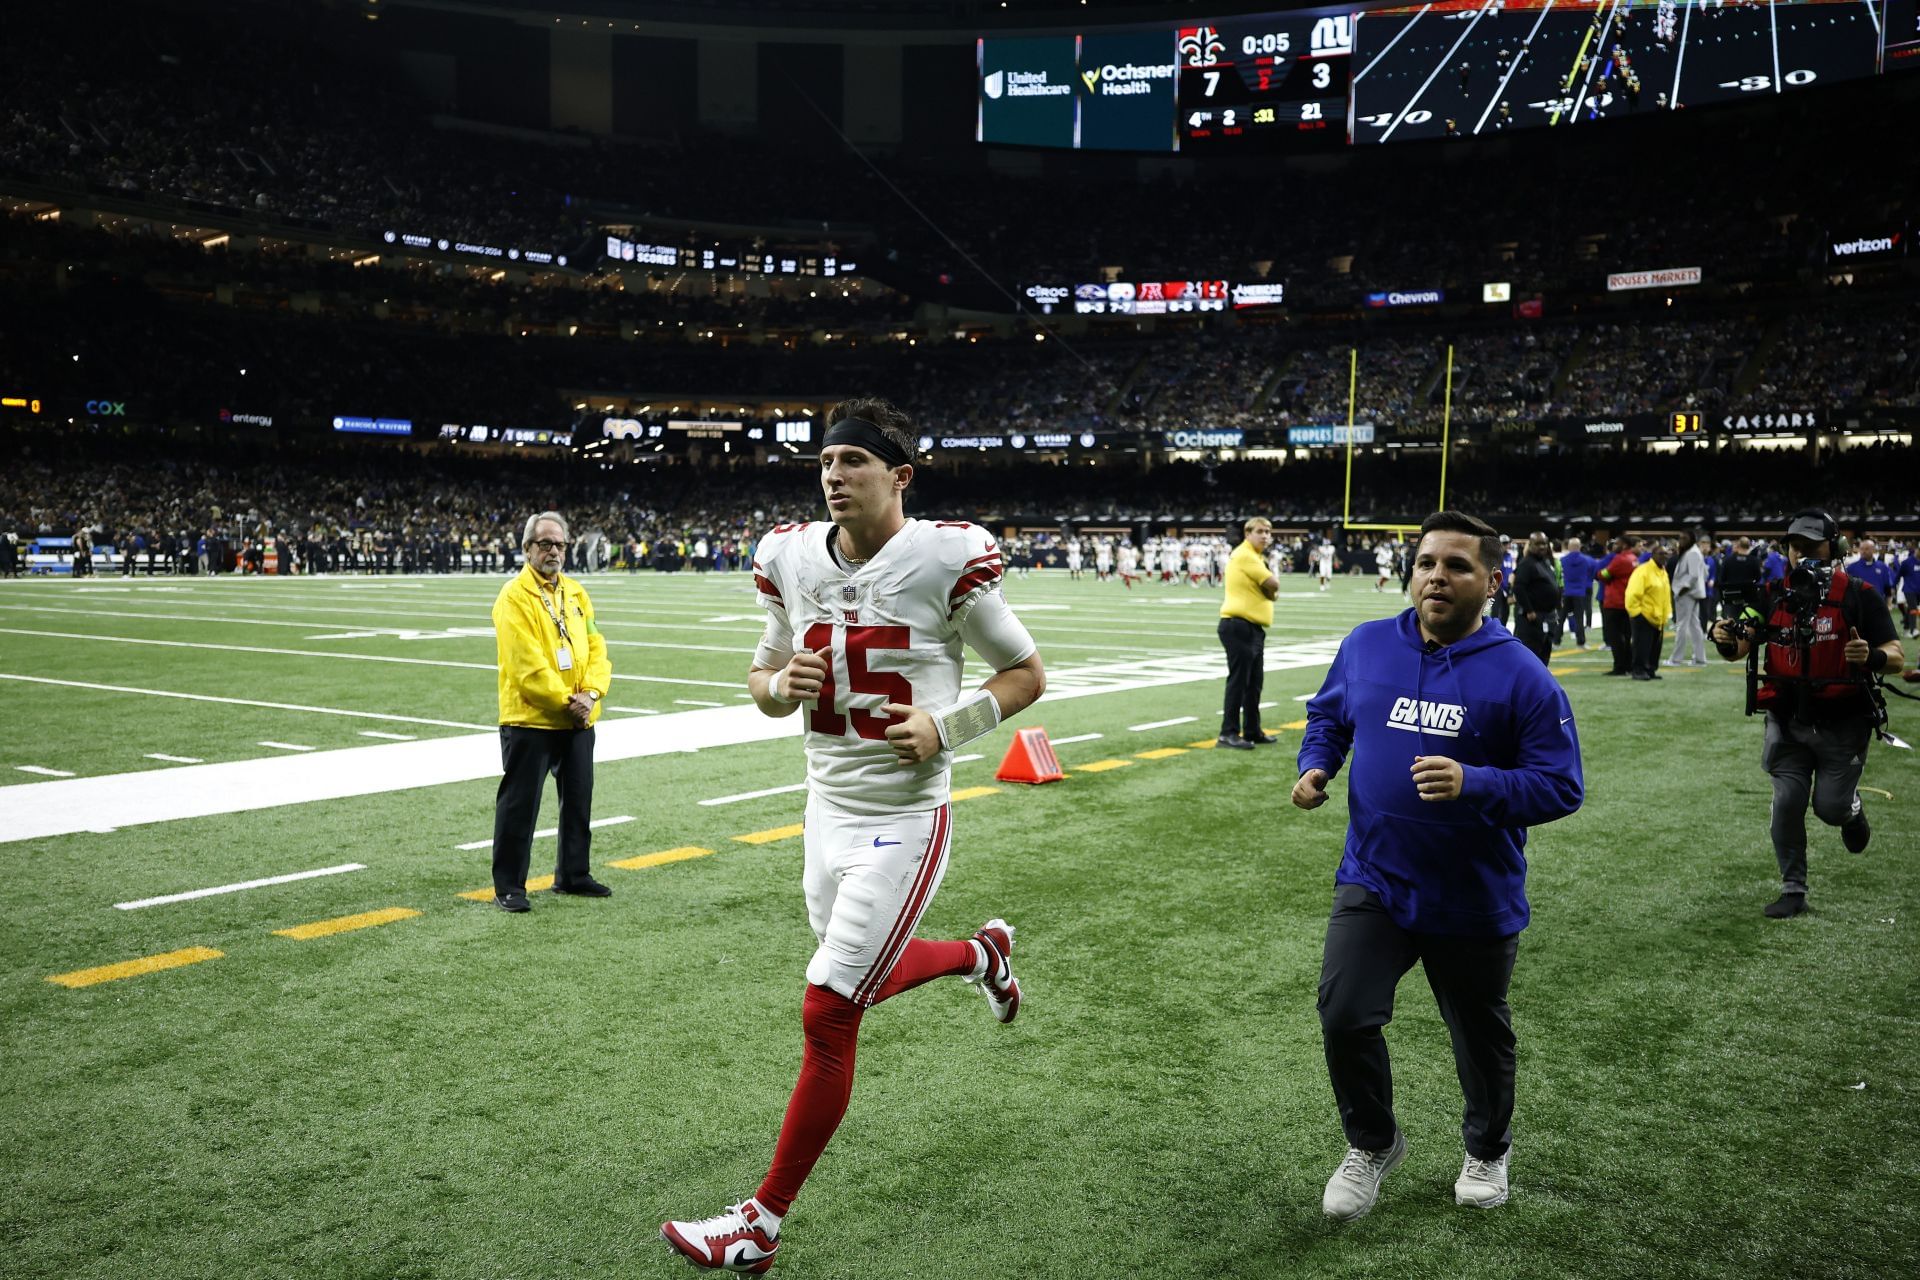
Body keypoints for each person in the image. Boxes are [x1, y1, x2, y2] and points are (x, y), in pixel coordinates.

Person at [660, 398, 1045, 1274]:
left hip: (905, 818)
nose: (834, 476)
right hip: (824, 808)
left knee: (829, 1007)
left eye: (853, 463)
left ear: (899, 477)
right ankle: (983, 955)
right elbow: (760, 675)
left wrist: (951, 726)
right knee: (856, 976)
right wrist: (776, 687)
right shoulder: (788, 555)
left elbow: (1024, 674)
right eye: (827, 462)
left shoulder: (944, 555)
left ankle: (760, 1223)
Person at [1294, 510, 1582, 1222]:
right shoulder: (1366, 645)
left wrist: (1477, 783)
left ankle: (1487, 1148)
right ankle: (1374, 1142)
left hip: (1471, 894)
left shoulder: (1522, 676)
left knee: (1478, 1035)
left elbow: (1561, 785)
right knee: (1344, 1013)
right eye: (1426, 562)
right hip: (1376, 876)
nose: (1436, 576)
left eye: (1456, 566)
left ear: (1491, 580)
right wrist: (1317, 764)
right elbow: (1329, 714)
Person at [1710, 511, 1903, 918]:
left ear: (1836, 549)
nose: (1799, 555)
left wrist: (1872, 656)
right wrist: (1725, 636)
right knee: (1786, 801)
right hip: (1787, 718)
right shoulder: (1772, 594)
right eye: (1794, 547)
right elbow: (1740, 645)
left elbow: (1897, 658)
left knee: (1829, 808)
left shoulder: (1858, 593)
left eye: (1810, 547)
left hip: (1843, 722)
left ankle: (1850, 810)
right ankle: (1792, 888)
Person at [488, 510, 614, 912]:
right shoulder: (513, 596)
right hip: (531, 718)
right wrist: (568, 702)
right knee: (519, 805)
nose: (554, 551)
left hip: (578, 716)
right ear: (527, 549)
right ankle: (509, 885)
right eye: (545, 544)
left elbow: (597, 647)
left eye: (559, 544)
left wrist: (592, 693)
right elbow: (525, 666)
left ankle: (573, 874)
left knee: (579, 800)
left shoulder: (576, 593)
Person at [1218, 516, 1281, 749]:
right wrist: (1272, 589)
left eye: (1268, 531)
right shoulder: (1245, 554)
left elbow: (1271, 589)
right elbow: (1273, 585)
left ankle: (1252, 730)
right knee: (1239, 682)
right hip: (1238, 625)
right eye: (1260, 531)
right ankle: (1228, 732)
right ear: (1247, 533)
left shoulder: (1254, 556)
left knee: (1254, 683)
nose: (1265, 535)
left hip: (1251, 627)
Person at [1509, 534, 1560, 664]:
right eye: (1538, 544)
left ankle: (1540, 683)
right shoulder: (1527, 563)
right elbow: (1519, 587)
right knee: (1531, 655)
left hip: (1547, 616)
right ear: (1530, 545)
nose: (1542, 547)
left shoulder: (1545, 562)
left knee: (1544, 652)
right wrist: (1529, 610)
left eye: (1544, 543)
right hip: (1533, 617)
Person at [1625, 542, 1673, 680]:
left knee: (1654, 647)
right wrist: (1636, 613)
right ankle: (1638, 670)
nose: (1664, 556)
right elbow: (1632, 593)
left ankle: (1651, 669)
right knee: (1641, 646)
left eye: (1666, 554)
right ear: (1653, 555)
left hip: (1658, 617)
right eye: (1660, 554)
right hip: (1644, 616)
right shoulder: (1643, 571)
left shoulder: (1663, 572)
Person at [1596, 537, 1642, 675]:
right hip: (1627, 602)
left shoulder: (1620, 559)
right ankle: (1628, 665)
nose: (1615, 545)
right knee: (1627, 636)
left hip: (1614, 602)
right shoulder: (1633, 559)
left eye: (1617, 543)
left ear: (1624, 545)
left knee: (1615, 636)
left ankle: (1620, 667)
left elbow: (1603, 574)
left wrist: (1601, 573)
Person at [1668, 533, 1709, 666]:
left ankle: (1676, 659)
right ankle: (1699, 658)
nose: (1681, 540)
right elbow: (1704, 573)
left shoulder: (1692, 553)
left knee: (1682, 626)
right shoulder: (1693, 552)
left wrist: (1681, 591)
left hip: (1687, 594)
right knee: (1694, 626)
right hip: (1692, 593)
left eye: (1684, 538)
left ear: (1692, 539)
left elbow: (1693, 576)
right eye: (1680, 538)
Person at [1559, 536, 1597, 648]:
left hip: (1566, 592)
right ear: (1579, 547)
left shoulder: (1562, 560)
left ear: (1569, 547)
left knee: (1561, 617)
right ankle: (1581, 642)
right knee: (1579, 618)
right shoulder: (1587, 560)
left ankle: (1556, 641)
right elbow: (1594, 571)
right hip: (1580, 592)